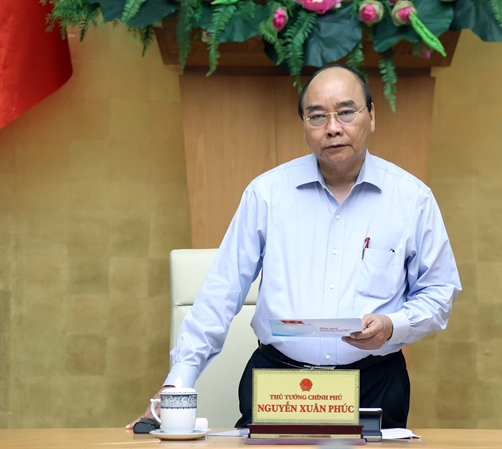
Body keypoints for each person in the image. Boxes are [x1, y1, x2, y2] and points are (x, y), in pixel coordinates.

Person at [126, 64, 461, 430]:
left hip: (374, 384)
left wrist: (393, 324)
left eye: (347, 112)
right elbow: (221, 292)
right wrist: (178, 383)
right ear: (304, 124)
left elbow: (439, 291)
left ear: (372, 116)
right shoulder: (267, 194)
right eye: (317, 116)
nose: (333, 127)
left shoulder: (411, 199)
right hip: (279, 383)